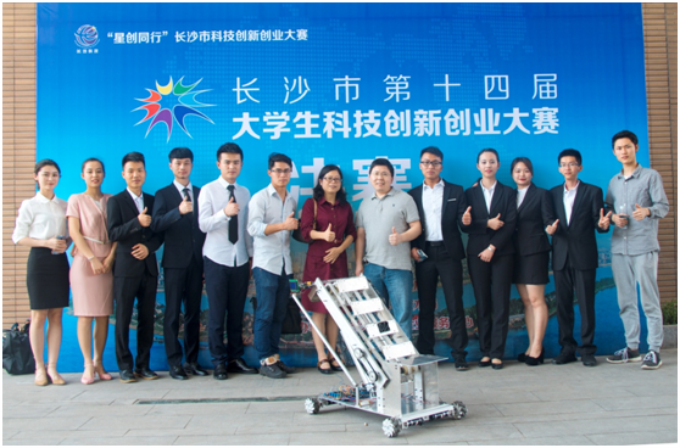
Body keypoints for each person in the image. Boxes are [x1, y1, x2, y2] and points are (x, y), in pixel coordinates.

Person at [604, 131, 669, 369]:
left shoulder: (651, 176)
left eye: (627, 147)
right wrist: (613, 218)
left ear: (636, 148)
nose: (624, 151)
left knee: (649, 300)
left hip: (643, 246)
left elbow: (663, 206)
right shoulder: (614, 181)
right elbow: (608, 209)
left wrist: (648, 211)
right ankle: (632, 348)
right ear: (614, 152)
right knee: (626, 301)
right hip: (620, 247)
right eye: (619, 148)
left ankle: (654, 349)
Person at [547, 149, 611, 367]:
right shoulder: (553, 193)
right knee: (563, 305)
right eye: (563, 164)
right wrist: (549, 229)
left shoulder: (593, 191)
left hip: (584, 255)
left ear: (580, 167)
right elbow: (549, 221)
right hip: (560, 256)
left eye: (572, 164)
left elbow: (598, 222)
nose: (567, 168)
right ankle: (567, 349)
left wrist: (602, 225)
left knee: (586, 304)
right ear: (559, 169)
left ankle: (587, 350)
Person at [198, 143, 257, 380]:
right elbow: (203, 225)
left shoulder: (245, 192)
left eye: (236, 162)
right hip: (216, 259)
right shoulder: (208, 190)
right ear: (218, 164)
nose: (232, 166)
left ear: (241, 165)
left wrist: (250, 256)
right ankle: (218, 361)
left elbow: (245, 229)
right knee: (216, 314)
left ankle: (235, 357)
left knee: (236, 313)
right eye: (227, 162)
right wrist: (224, 213)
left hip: (240, 259)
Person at [408, 147, 470, 370]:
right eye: (426, 162)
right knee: (426, 306)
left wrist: (466, 221)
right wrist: (412, 248)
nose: (430, 166)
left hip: (448, 253)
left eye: (435, 162)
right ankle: (426, 354)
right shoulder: (413, 194)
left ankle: (460, 354)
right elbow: (409, 225)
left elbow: (463, 225)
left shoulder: (456, 190)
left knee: (455, 304)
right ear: (420, 166)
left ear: (441, 166)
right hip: (424, 255)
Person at [12, 159, 71, 386]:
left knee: (56, 314)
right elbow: (18, 237)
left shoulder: (64, 205)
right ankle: (38, 367)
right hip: (38, 261)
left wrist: (66, 242)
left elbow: (71, 233)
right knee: (38, 315)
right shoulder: (30, 204)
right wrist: (46, 243)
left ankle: (52, 367)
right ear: (36, 176)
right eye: (45, 174)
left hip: (59, 261)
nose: (50, 178)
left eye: (54, 175)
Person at [107, 152, 163, 382]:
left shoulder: (153, 200)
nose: (135, 175)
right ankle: (124, 367)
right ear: (123, 174)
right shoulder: (115, 201)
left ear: (145, 173)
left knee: (147, 319)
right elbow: (112, 233)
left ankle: (143, 365)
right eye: (130, 171)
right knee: (123, 318)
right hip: (125, 269)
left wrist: (149, 248)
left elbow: (160, 234)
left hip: (148, 268)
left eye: (139, 170)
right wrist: (136, 223)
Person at [152, 147, 208, 380]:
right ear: (170, 166)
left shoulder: (201, 192)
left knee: (193, 313)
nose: (182, 167)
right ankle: (174, 363)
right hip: (174, 263)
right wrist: (178, 211)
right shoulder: (163, 194)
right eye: (178, 163)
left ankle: (192, 361)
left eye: (186, 163)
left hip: (197, 261)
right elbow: (156, 224)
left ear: (191, 165)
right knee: (173, 314)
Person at [461, 149, 517, 370]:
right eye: (484, 162)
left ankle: (497, 353)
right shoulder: (469, 193)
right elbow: (465, 226)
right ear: (478, 166)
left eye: (492, 161)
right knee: (482, 302)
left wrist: (492, 247)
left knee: (501, 302)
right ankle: (485, 350)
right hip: (476, 253)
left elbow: (510, 224)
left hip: (502, 253)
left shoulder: (508, 192)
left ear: (498, 165)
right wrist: (485, 223)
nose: (488, 165)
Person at [355, 158, 422, 340]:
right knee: (377, 317)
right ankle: (383, 354)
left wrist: (401, 237)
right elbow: (360, 235)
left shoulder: (405, 199)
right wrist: (358, 263)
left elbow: (417, 227)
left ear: (392, 178)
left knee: (402, 315)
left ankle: (405, 355)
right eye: (376, 174)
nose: (380, 178)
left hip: (399, 268)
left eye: (385, 174)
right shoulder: (364, 204)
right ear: (370, 177)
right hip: (372, 267)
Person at [300, 164, 356, 374]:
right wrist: (323, 235)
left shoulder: (345, 207)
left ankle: (333, 354)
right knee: (318, 309)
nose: (333, 182)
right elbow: (305, 231)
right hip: (317, 263)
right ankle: (321, 356)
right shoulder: (311, 204)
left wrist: (339, 249)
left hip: (338, 263)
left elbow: (352, 233)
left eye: (336, 179)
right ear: (321, 181)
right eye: (329, 178)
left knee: (335, 310)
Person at [248, 153, 298, 379]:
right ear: (270, 172)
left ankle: (274, 358)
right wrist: (282, 226)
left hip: (285, 265)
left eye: (286, 171)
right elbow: (253, 228)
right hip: (266, 264)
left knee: (279, 314)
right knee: (265, 313)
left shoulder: (291, 200)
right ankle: (264, 361)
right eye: (278, 170)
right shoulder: (260, 198)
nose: (282, 175)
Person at [67, 158, 117, 384]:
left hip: (108, 260)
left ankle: (99, 361)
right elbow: (74, 232)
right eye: (90, 171)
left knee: (103, 314)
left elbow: (118, 232)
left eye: (98, 171)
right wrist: (92, 258)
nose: (94, 175)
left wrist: (110, 257)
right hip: (85, 261)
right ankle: (87, 363)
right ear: (83, 175)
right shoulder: (76, 199)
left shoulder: (112, 200)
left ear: (104, 174)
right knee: (85, 314)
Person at [510, 157, 555, 366]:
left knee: (536, 300)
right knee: (526, 301)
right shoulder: (509, 195)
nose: (522, 174)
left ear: (532, 173)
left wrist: (550, 228)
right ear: (512, 174)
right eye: (518, 171)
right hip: (515, 252)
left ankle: (537, 347)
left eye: (526, 170)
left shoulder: (541, 194)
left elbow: (548, 218)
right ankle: (531, 346)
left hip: (535, 251)